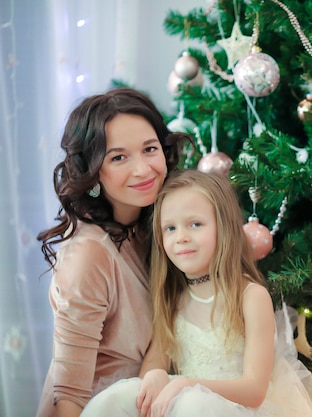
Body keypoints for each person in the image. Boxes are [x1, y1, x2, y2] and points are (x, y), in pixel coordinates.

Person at [81, 170, 312, 417]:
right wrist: (155, 375)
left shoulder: (250, 296)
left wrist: (187, 385)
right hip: (185, 405)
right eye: (170, 228)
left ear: (224, 228)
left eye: (195, 224)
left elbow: (254, 390)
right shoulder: (174, 300)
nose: (181, 238)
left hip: (238, 409)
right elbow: (155, 363)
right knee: (115, 398)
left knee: (193, 405)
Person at [36, 88, 190, 417]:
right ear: (92, 171)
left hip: (148, 399)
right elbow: (70, 396)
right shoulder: (89, 253)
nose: (143, 170)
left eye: (150, 149)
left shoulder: (158, 223)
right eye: (118, 157)